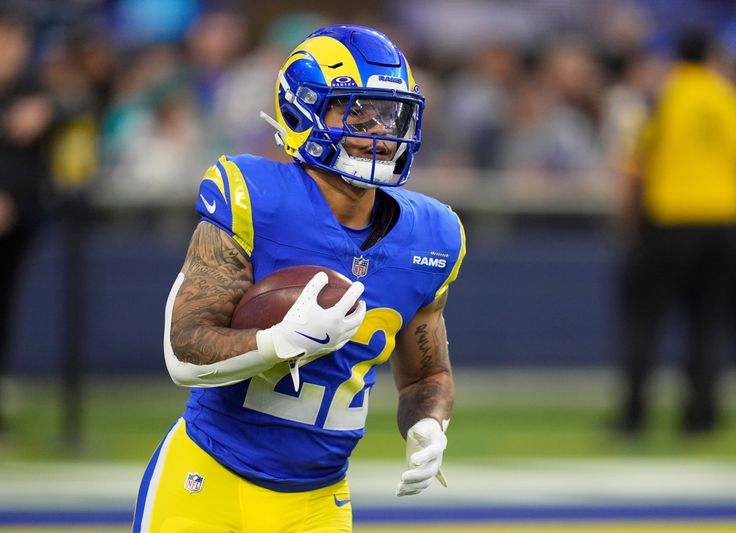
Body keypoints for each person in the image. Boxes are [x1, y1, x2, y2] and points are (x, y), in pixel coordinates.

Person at [133, 24, 466, 532]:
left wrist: (428, 422)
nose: (380, 131)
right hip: (207, 478)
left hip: (316, 502)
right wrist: (280, 341)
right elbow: (184, 352)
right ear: (303, 111)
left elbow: (427, 376)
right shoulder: (253, 197)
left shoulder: (432, 235)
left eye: (391, 114)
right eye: (359, 111)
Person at [613, 27, 736, 435]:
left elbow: (639, 164)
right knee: (708, 322)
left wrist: (630, 223)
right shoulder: (731, 98)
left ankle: (634, 416)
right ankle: (700, 416)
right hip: (727, 222)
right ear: (710, 56)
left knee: (644, 320)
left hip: (672, 222)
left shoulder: (664, 97)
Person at [0, 11, 55, 434]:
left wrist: (49, 109)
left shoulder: (34, 88)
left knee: (7, 310)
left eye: (16, 41)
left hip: (20, 225)